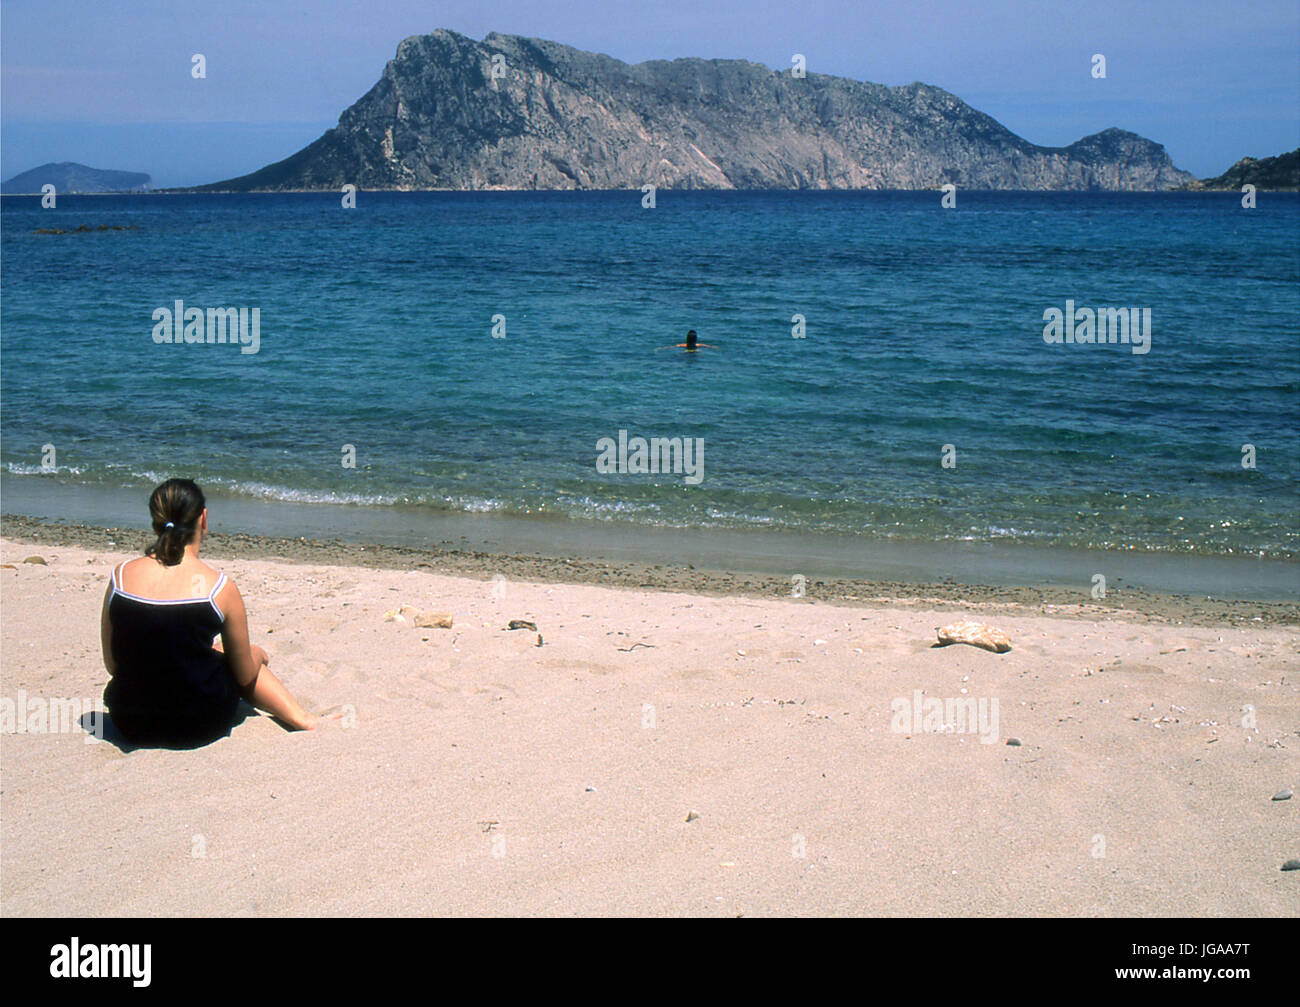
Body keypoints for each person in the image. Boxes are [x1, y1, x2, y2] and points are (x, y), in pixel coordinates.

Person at [100, 478, 327, 746]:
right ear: (203, 519)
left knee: (205, 654)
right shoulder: (219, 588)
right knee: (236, 656)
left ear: (156, 521)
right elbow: (243, 675)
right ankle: (303, 719)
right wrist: (258, 654)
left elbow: (113, 665)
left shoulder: (121, 577)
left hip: (131, 721)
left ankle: (303, 719)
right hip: (199, 723)